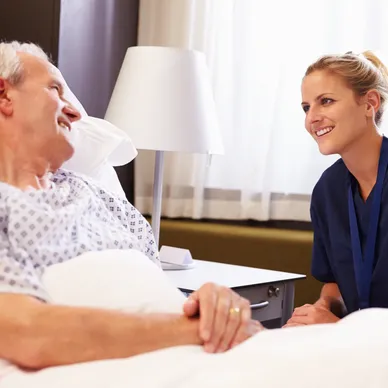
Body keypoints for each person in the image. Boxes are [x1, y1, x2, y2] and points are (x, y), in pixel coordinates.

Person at [0, 41, 263, 375]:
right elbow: (27, 334)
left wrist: (208, 305)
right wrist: (192, 331)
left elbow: (155, 293)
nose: (76, 112)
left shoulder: (102, 198)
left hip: (194, 357)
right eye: (56, 90)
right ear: (4, 95)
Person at [284, 51, 388, 327]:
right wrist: (317, 314)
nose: (312, 118)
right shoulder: (328, 190)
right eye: (306, 108)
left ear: (370, 103)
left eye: (325, 102)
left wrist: (338, 328)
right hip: (356, 347)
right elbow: (334, 286)